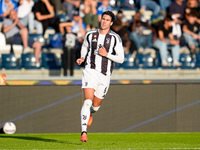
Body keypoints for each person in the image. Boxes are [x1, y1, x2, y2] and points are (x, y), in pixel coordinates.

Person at [76, 11, 124, 142]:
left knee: (95, 107)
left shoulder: (115, 38)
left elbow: (121, 59)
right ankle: (84, 132)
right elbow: (85, 47)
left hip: (104, 76)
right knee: (87, 101)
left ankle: (90, 113)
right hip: (90, 71)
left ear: (111, 23)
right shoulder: (90, 34)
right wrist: (82, 57)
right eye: (103, 19)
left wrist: (106, 54)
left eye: (107, 20)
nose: (104, 21)